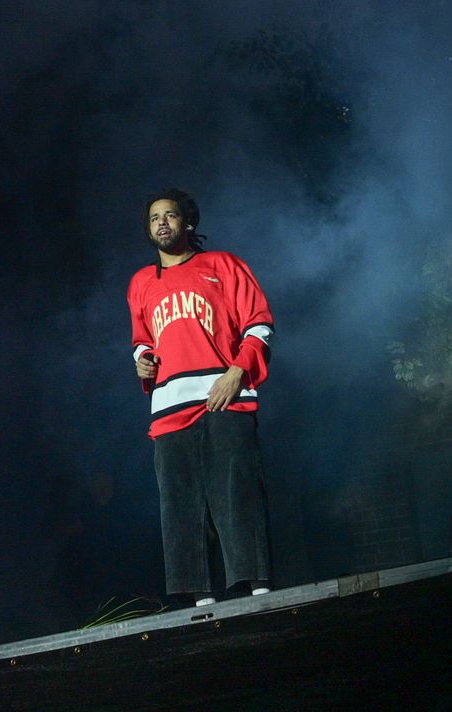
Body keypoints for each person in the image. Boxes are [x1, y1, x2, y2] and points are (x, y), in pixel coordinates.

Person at [128, 189, 275, 608]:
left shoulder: (223, 265)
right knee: (179, 505)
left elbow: (259, 324)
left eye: (170, 215)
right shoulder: (140, 283)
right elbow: (142, 340)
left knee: (237, 491)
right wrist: (143, 362)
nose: (161, 223)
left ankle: (257, 586)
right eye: (154, 217)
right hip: (170, 407)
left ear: (186, 223)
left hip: (222, 394)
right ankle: (200, 598)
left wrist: (237, 372)